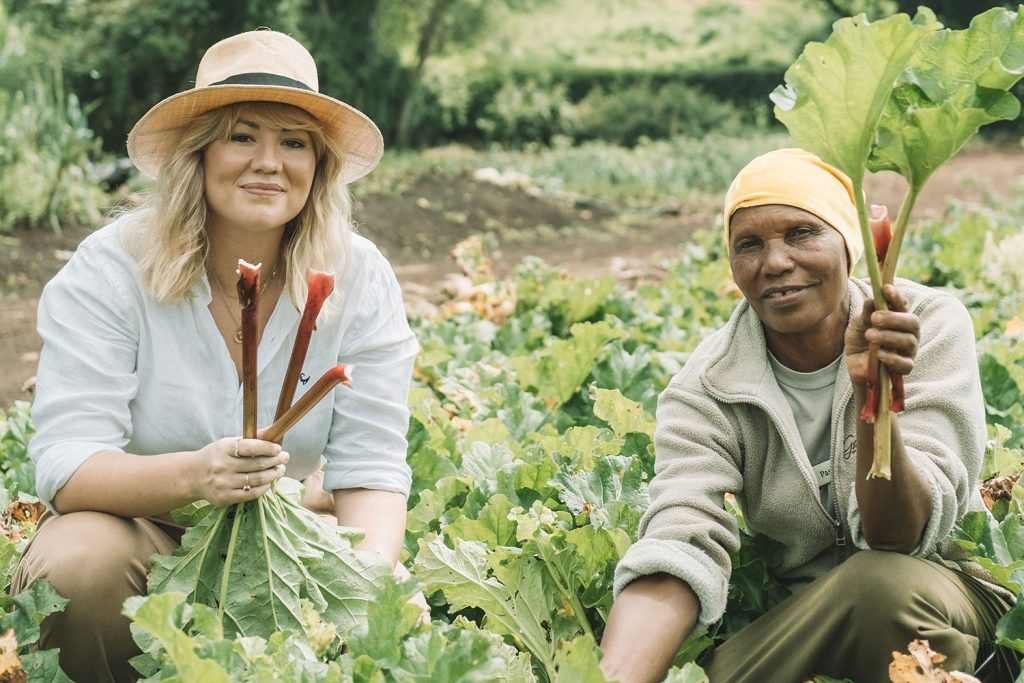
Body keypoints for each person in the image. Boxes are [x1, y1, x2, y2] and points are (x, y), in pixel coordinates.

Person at [12, 30, 419, 682]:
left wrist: (368, 578)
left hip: (283, 540)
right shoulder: (111, 267)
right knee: (75, 566)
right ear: (197, 154)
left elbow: (371, 467)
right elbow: (67, 463)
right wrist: (196, 475)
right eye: (242, 135)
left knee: (397, 604)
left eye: (293, 142)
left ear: (318, 166)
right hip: (140, 531)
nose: (268, 161)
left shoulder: (359, 276)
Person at [597, 148, 1012, 683]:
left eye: (800, 234)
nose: (774, 262)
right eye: (749, 244)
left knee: (878, 587)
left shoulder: (922, 326)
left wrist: (871, 399)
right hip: (801, 621)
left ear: (849, 246)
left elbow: (901, 537)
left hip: (945, 601)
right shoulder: (706, 387)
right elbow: (682, 537)